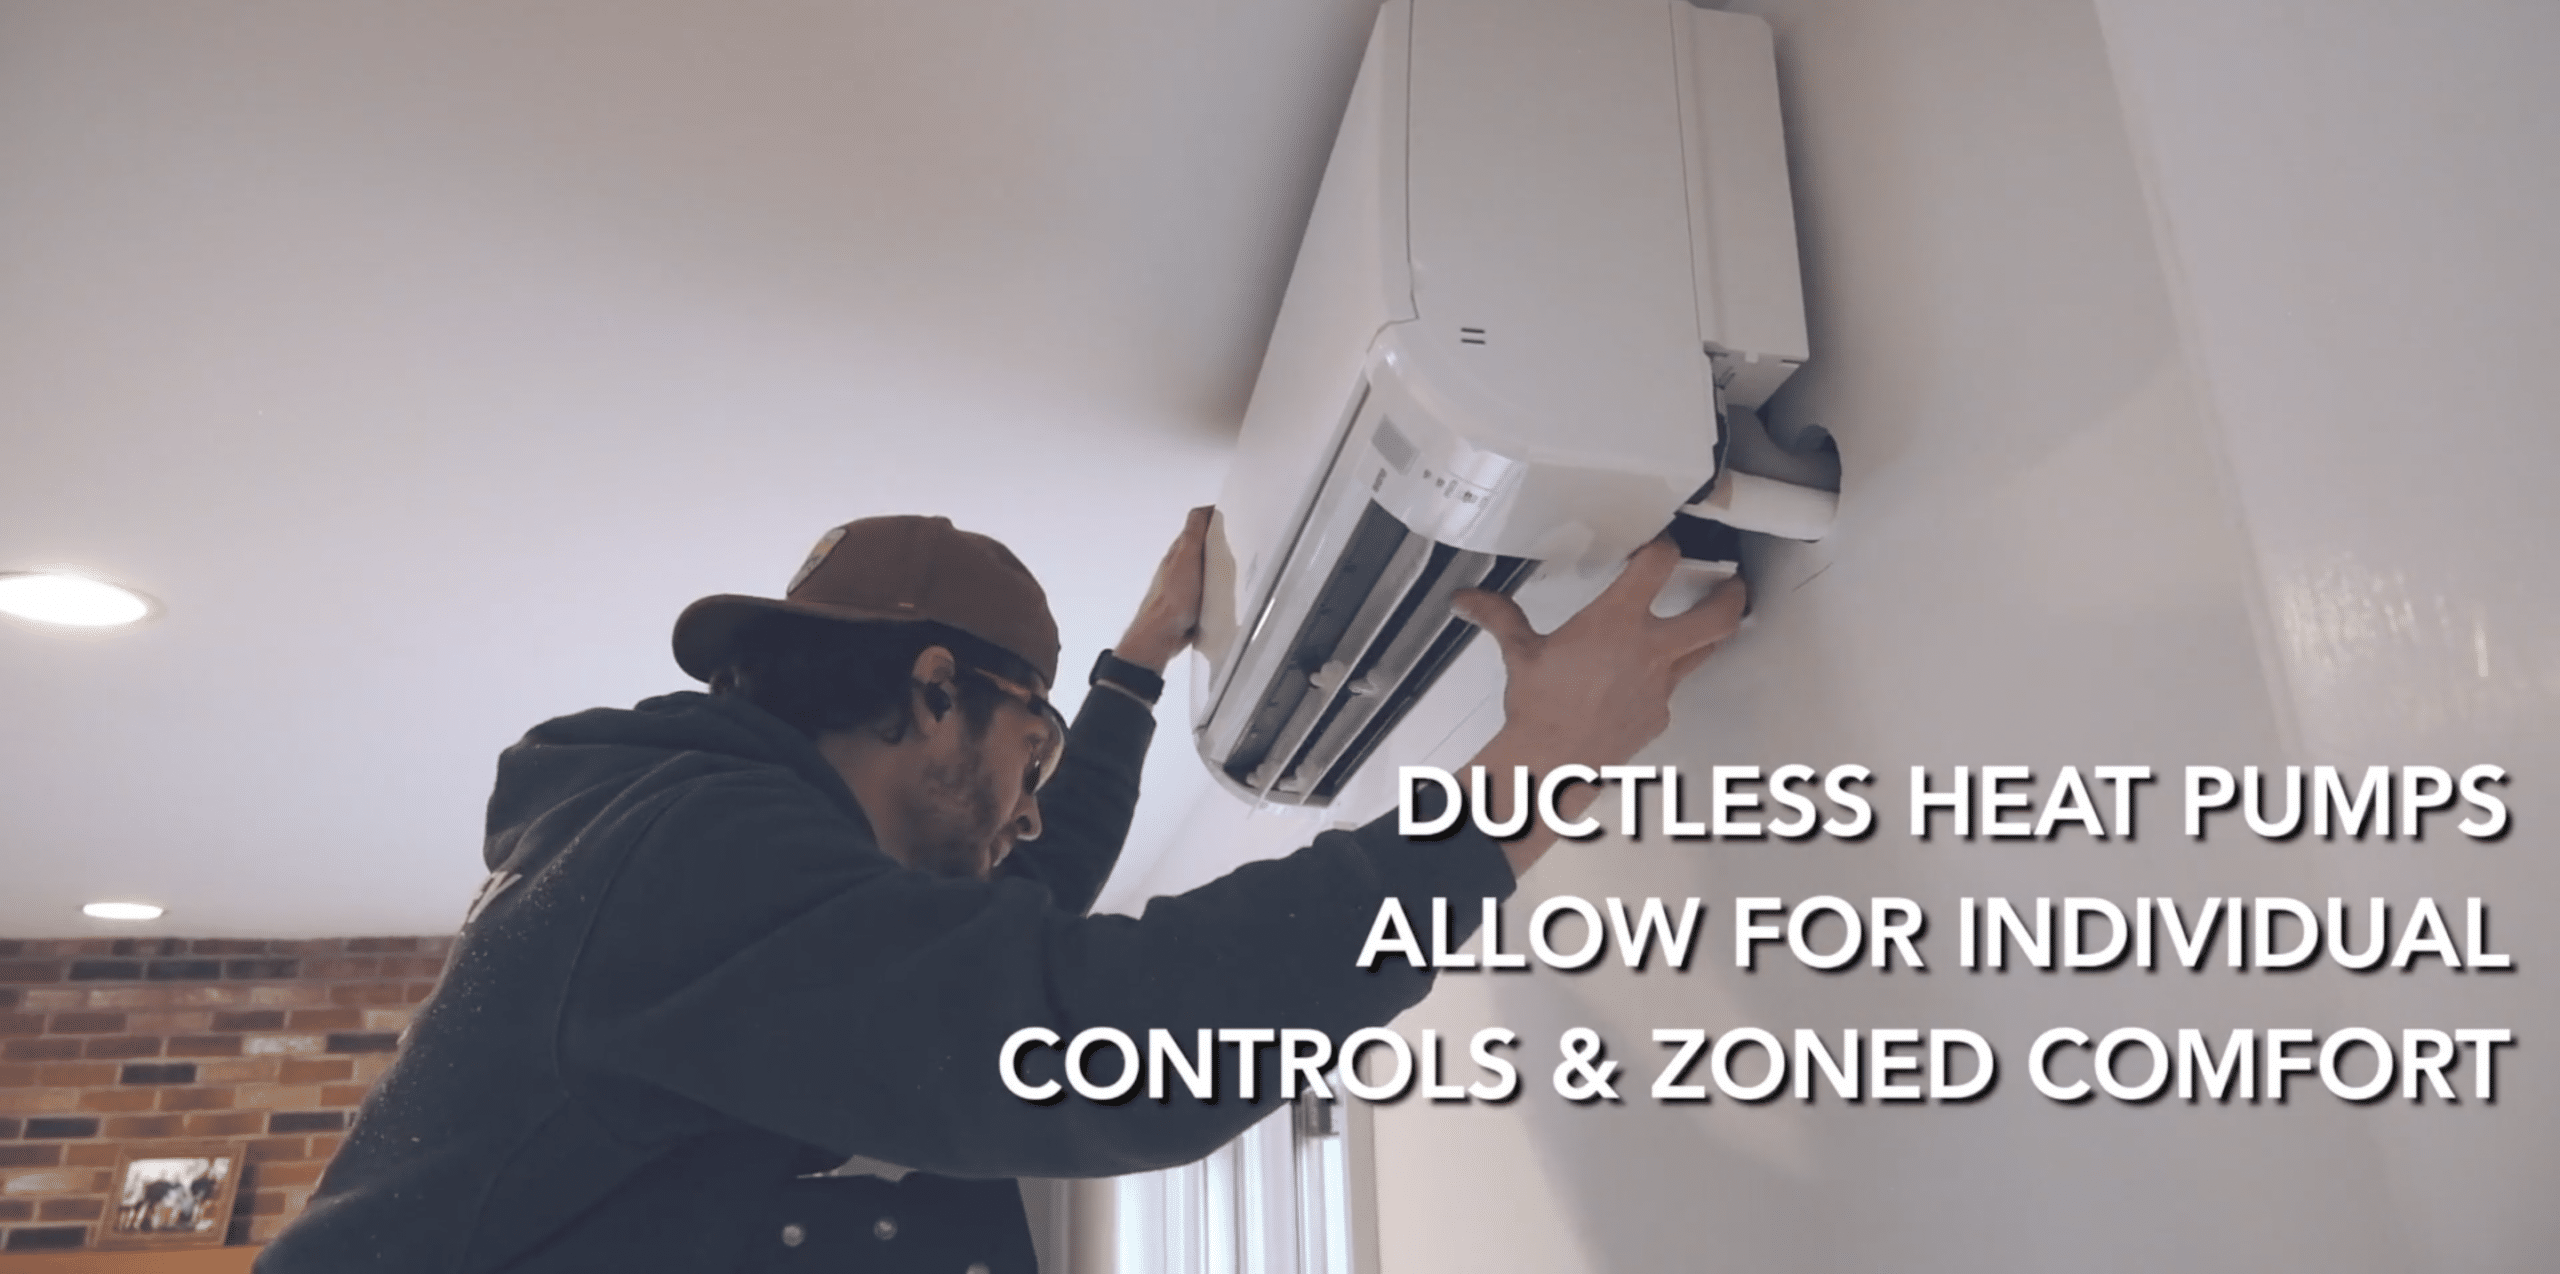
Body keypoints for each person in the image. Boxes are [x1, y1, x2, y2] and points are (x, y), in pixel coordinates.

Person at [255, 508, 1743, 1273]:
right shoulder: (683, 857)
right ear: (931, 689)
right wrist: (1534, 767)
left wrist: (1131, 674)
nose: (1036, 802)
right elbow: (1086, 1023)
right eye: (1028, 749)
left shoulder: (735, 868)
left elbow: (1020, 887)